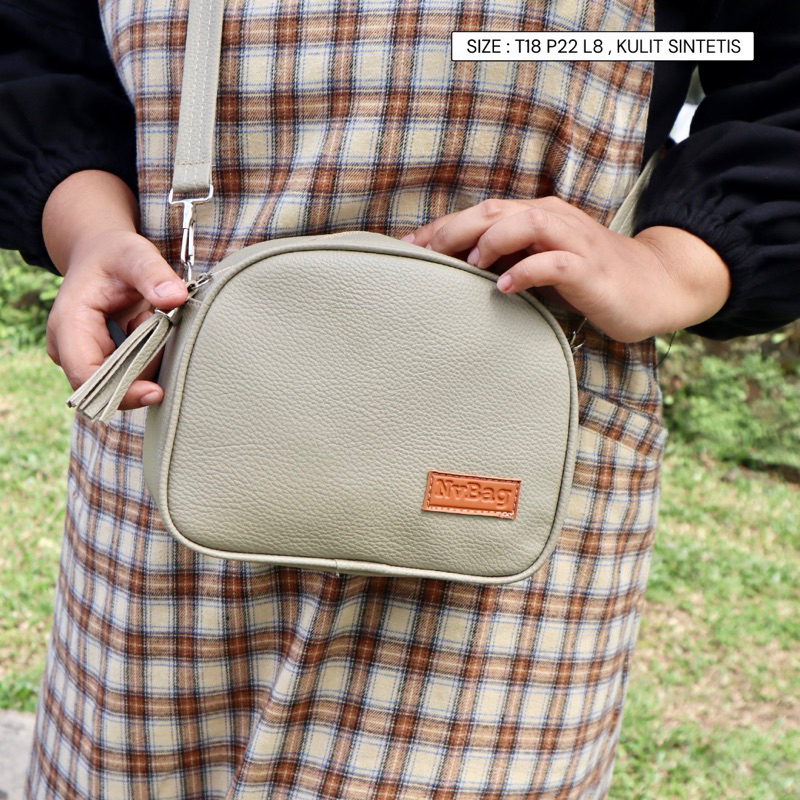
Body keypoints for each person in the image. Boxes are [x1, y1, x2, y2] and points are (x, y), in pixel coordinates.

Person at [1, 0, 798, 797]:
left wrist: (669, 265)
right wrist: (88, 233)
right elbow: (37, 45)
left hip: (514, 528)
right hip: (168, 479)